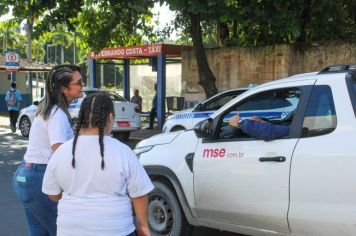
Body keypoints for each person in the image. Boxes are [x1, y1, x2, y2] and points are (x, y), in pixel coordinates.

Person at [42, 93, 154, 236]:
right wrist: (143, 226)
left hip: (70, 230)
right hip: (116, 230)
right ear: (110, 118)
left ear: (81, 117)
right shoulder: (123, 152)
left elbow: (52, 194)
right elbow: (139, 194)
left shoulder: (61, 152)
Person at [13, 64, 83, 236]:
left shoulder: (51, 110)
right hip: (39, 178)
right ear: (64, 89)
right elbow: (60, 152)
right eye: (79, 82)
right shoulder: (57, 114)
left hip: (28, 177)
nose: (82, 85)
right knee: (63, 231)